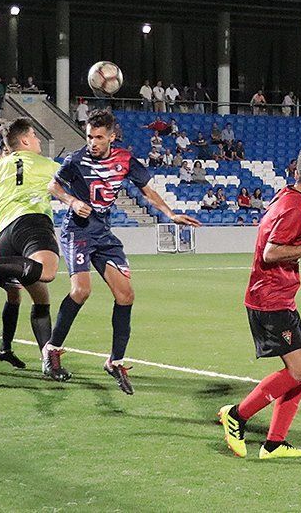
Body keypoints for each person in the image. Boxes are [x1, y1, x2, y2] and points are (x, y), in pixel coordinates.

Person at [46, 109, 201, 394]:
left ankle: (115, 361)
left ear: (112, 136)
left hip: (103, 233)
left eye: (99, 137)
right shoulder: (76, 160)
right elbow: (53, 185)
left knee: (126, 295)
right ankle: (52, 349)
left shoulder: (125, 160)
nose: (92, 142)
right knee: (81, 291)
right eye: (90, 136)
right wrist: (70, 201)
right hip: (77, 231)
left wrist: (170, 213)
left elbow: (147, 191)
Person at [218, 146, 301, 460]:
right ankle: (238, 414)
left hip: (277, 297)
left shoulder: (287, 197)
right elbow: (271, 252)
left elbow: (289, 237)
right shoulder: (295, 207)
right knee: (300, 369)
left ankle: (274, 443)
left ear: (295, 172)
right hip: (270, 299)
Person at [0, 118, 63, 381]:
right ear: (26, 140)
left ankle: (48, 360)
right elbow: (71, 185)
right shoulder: (47, 165)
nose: (39, 141)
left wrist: (3, 194)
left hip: (6, 236)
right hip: (33, 225)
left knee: (41, 297)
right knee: (49, 271)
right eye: (36, 136)